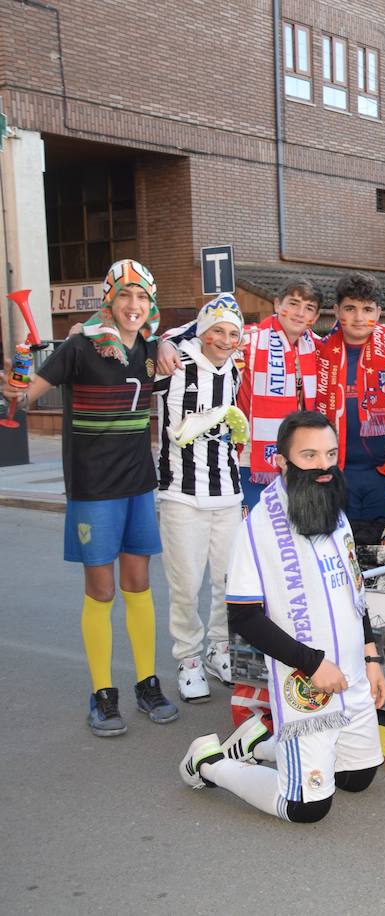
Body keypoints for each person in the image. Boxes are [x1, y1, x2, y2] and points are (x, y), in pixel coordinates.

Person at [177, 411, 385, 822]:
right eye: (309, 455)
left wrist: (372, 655)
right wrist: (311, 664)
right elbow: (242, 617)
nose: (323, 466)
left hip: (352, 674)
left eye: (330, 454)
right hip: (306, 679)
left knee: (358, 777)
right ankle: (208, 763)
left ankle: (256, 743)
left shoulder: (334, 510)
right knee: (306, 808)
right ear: (281, 461)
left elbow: (354, 591)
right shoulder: (258, 526)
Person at [5, 259, 178, 736]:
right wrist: (15, 383)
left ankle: (147, 682)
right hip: (93, 487)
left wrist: (163, 339)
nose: (134, 306)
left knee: (139, 585)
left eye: (142, 297)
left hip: (139, 484)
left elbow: (202, 336)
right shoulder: (80, 346)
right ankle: (103, 693)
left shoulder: (150, 346)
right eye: (125, 296)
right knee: (101, 590)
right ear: (109, 300)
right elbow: (25, 395)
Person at [155, 295, 246, 702]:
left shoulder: (235, 372)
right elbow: (136, 352)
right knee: (186, 582)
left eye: (232, 333)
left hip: (227, 491)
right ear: (201, 331)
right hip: (181, 493)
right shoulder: (175, 363)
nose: (225, 340)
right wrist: (162, 342)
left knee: (228, 581)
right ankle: (188, 658)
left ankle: (219, 648)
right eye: (217, 331)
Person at [167, 277, 323, 510]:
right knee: (252, 532)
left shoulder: (317, 347)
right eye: (293, 303)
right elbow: (201, 328)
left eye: (308, 308)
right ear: (278, 304)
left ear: (316, 317)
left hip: (296, 459)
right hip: (251, 459)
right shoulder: (250, 338)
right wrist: (168, 343)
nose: (299, 313)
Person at [316, 272, 385, 527]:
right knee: (338, 556)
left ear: (379, 312)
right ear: (336, 310)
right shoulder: (317, 353)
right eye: (350, 309)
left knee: (384, 559)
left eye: (367, 309)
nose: (359, 318)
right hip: (335, 474)